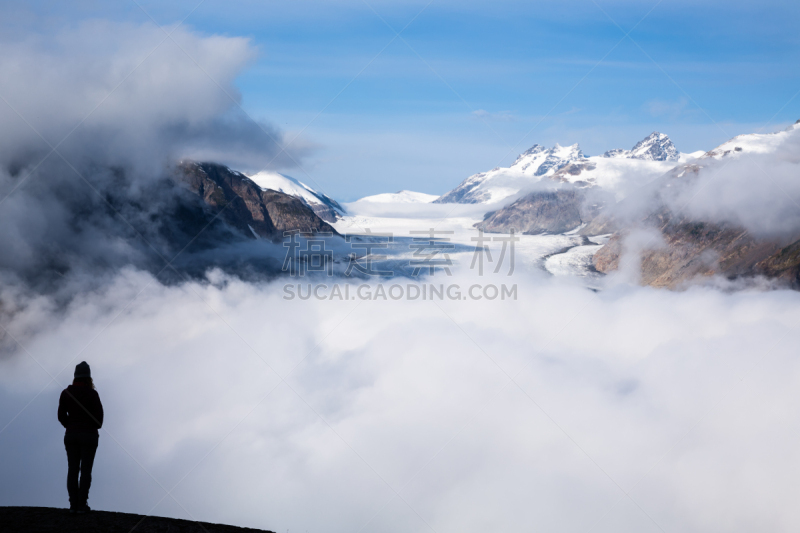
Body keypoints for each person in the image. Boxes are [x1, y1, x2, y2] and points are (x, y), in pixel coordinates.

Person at [57, 361, 104, 514]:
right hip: (89, 436)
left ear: (75, 376)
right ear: (88, 377)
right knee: (85, 470)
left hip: (71, 435)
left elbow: (60, 416)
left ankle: (73, 504)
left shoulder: (66, 393)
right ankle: (82, 505)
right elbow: (99, 421)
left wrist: (70, 426)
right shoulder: (93, 394)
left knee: (72, 469)